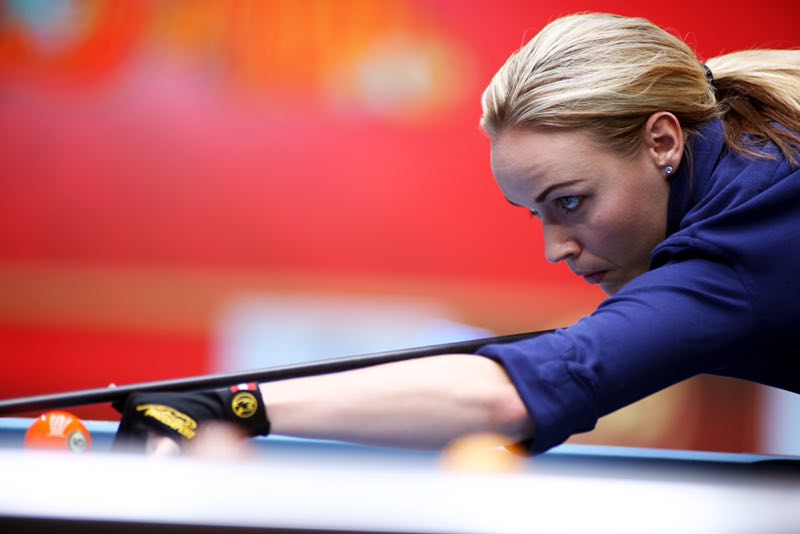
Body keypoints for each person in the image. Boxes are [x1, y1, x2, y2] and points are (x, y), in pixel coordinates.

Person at [114, 13, 800, 455]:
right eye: (537, 213)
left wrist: (235, 405)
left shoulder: (751, 227)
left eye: (570, 201)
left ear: (662, 141)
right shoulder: (760, 162)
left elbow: (515, 393)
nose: (556, 248)